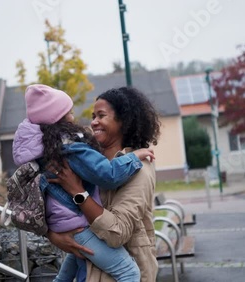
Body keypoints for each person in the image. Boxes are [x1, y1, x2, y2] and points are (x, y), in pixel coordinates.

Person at [12, 84, 155, 282]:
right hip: (89, 265)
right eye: (93, 116)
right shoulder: (78, 156)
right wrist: (54, 236)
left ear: (124, 121)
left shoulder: (139, 168)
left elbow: (117, 233)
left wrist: (77, 191)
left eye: (101, 116)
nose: (94, 122)